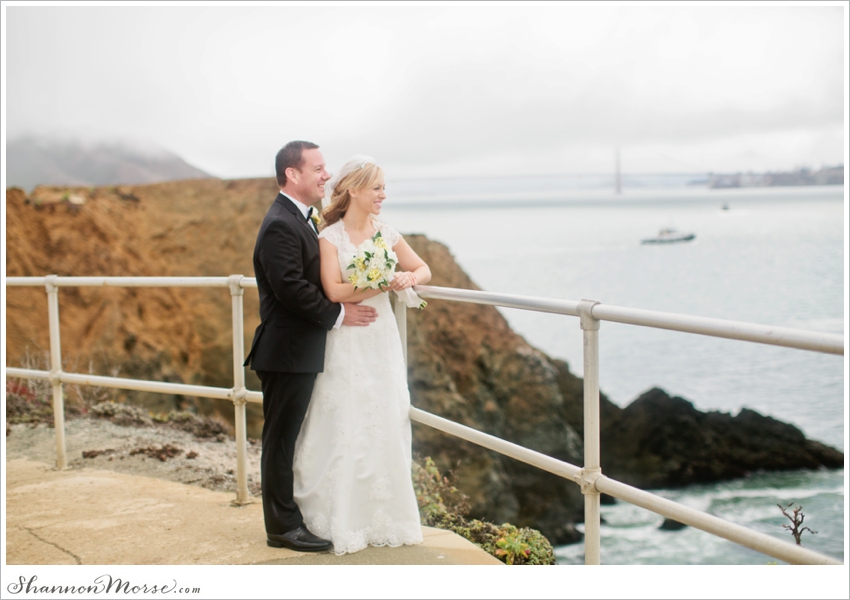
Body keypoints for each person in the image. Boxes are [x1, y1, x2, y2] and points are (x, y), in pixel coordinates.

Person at [292, 156, 431, 555]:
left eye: (384, 188)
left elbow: (423, 269)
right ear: (354, 190)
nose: (383, 195)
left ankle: (384, 515)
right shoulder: (329, 236)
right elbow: (334, 291)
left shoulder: (386, 234)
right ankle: (336, 516)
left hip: (380, 338)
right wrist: (378, 284)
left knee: (384, 414)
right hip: (347, 338)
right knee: (343, 417)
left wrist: (406, 277)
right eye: (377, 188)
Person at [244, 141, 378, 552]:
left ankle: (290, 519)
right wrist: (339, 314)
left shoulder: (301, 218)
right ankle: (282, 528)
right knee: (282, 440)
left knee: (289, 438)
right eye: (318, 169)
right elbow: (291, 289)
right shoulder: (281, 223)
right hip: (286, 351)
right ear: (293, 175)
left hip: (297, 349)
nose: (327, 175)